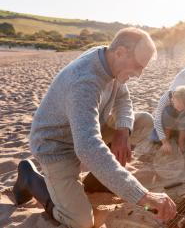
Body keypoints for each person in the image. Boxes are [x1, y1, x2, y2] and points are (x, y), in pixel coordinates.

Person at [13, 27, 176, 228]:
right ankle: (31, 178)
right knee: (80, 221)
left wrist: (123, 131)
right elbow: (88, 147)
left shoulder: (108, 58)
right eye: (137, 66)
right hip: (55, 146)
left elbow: (123, 97)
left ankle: (96, 181)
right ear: (121, 52)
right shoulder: (84, 81)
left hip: (86, 130)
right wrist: (142, 196)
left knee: (143, 122)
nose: (139, 75)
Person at [150, 85, 185, 153]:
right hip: (167, 125)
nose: (180, 110)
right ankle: (167, 138)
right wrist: (164, 141)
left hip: (183, 128)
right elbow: (157, 121)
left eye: (183, 108)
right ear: (174, 98)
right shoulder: (165, 98)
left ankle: (181, 140)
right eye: (178, 106)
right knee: (168, 110)